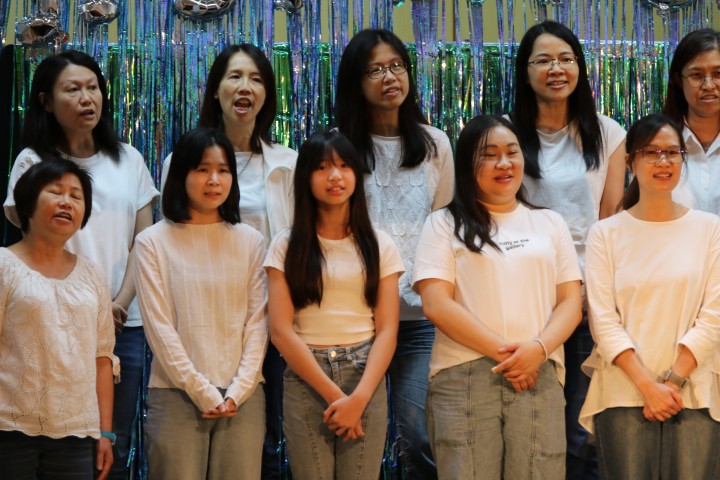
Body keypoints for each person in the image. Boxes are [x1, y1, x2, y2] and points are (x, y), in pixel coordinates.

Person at [2, 50, 159, 480]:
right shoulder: (32, 161)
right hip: (48, 321)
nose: (86, 98)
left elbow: (144, 242)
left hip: (124, 321)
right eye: (72, 89)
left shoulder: (129, 159)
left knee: (110, 442)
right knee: (44, 433)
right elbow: (30, 245)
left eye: (93, 88)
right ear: (46, 101)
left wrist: (118, 303)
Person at [413, 115, 582, 479]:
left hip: (538, 370)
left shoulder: (550, 223)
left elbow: (571, 302)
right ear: (467, 164)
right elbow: (436, 303)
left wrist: (537, 350)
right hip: (464, 375)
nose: (503, 163)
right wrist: (508, 355)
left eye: (511, 152)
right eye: (489, 155)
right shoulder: (442, 223)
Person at [160, 44, 296, 478]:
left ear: (267, 94)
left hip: (275, 319)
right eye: (235, 76)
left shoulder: (288, 163)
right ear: (216, 90)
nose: (245, 87)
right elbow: (169, 243)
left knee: (266, 438)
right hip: (206, 320)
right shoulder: (179, 162)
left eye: (256, 79)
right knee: (195, 436)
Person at [334, 29, 454, 479]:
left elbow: (445, 229)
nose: (390, 77)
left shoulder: (435, 143)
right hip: (355, 316)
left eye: (397, 66)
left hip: (420, 318)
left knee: (420, 434)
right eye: (375, 70)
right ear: (355, 81)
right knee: (355, 434)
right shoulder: (338, 146)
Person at [509, 21, 626, 479]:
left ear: (579, 66)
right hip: (526, 296)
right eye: (543, 60)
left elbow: (611, 219)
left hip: (588, 296)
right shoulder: (506, 133)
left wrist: (590, 293)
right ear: (525, 71)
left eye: (565, 59)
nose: (556, 69)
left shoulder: (608, 132)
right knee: (531, 423)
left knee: (582, 430)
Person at [579, 114, 720, 480]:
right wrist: (647, 386)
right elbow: (603, 320)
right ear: (631, 163)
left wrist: (672, 383)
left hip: (694, 390)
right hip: (623, 389)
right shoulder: (605, 233)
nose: (663, 161)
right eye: (652, 152)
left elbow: (714, 315)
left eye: (672, 152)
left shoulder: (709, 229)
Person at [265, 131, 404, 480]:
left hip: (365, 374)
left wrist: (359, 399)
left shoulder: (380, 245)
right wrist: (335, 396)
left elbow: (388, 330)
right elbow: (280, 330)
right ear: (305, 177)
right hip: (306, 377)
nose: (335, 176)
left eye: (344, 166)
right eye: (322, 167)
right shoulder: (285, 245)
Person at [135, 128, 267, 479]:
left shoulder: (251, 241)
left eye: (223, 170)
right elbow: (160, 329)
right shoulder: (152, 242)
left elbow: (258, 323)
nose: (214, 180)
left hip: (244, 396)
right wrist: (202, 390)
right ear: (181, 174)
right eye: (202, 169)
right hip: (176, 392)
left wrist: (238, 390)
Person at [0, 158, 117, 480]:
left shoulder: (93, 274)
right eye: (55, 191)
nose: (67, 202)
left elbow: (102, 358)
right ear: (28, 202)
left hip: (76, 432)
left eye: (76, 196)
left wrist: (104, 433)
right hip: (8, 429)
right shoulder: (4, 265)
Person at [664, 28, 720, 214]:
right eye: (696, 75)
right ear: (678, 80)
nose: (708, 85)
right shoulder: (656, 142)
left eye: (718, 74)